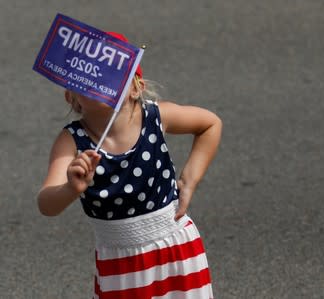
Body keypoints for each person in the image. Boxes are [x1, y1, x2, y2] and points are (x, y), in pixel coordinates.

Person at [37, 32, 222, 299]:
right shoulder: (72, 140)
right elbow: (46, 204)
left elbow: (210, 124)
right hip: (121, 264)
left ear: (135, 87)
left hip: (178, 249)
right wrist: (70, 187)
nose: (97, 80)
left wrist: (189, 181)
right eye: (88, 76)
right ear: (71, 96)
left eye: (109, 74)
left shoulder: (156, 116)